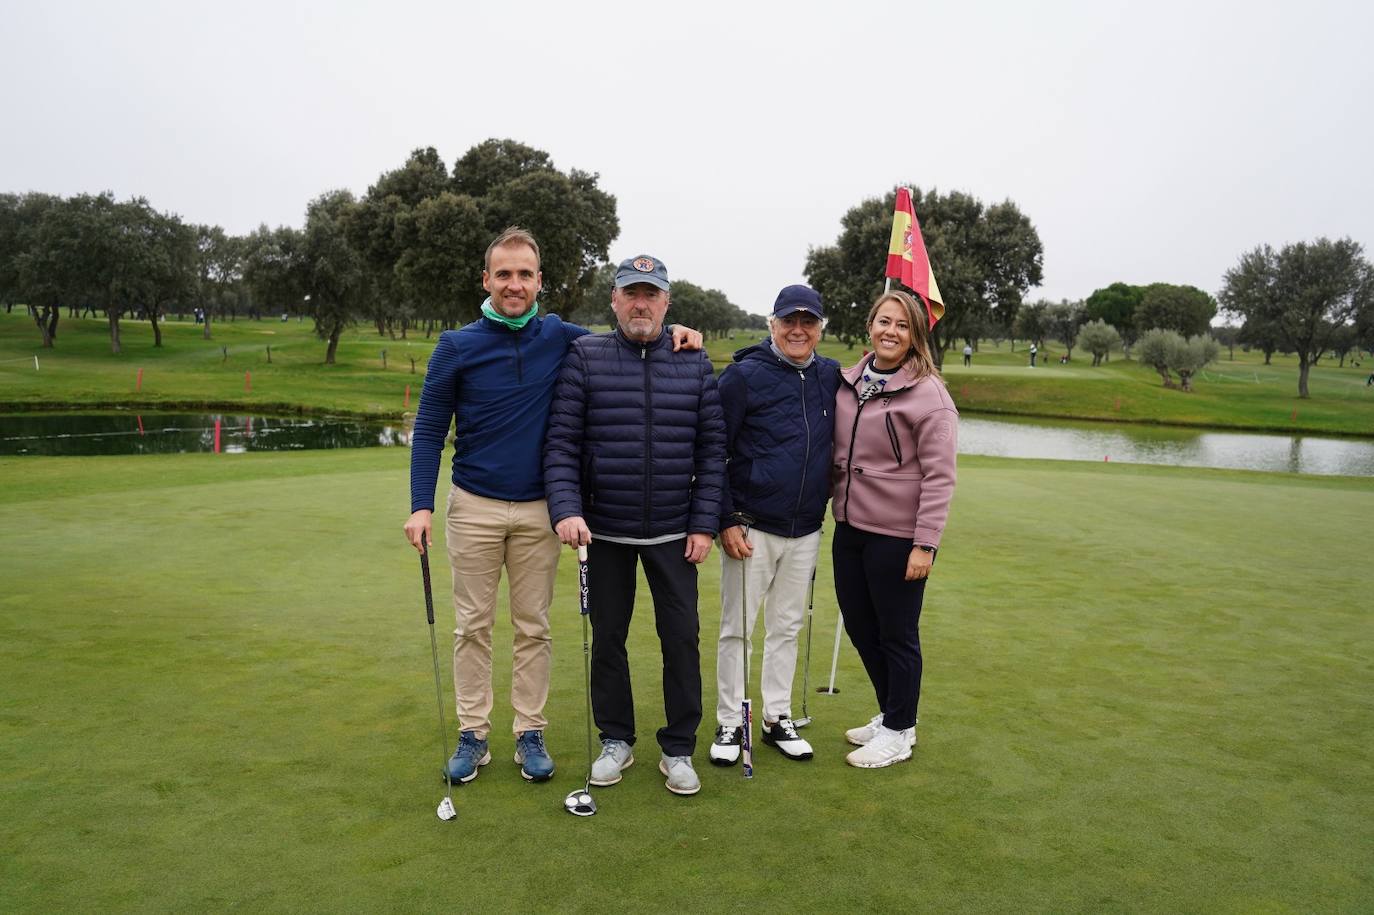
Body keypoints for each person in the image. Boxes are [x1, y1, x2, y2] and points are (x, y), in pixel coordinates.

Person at [404, 229, 701, 787]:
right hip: (473, 505)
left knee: (533, 627)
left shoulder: (563, 338)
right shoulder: (456, 345)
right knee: (472, 626)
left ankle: (529, 732)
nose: (514, 284)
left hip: (540, 510)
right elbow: (429, 430)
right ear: (487, 280)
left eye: (525, 274)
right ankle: (473, 734)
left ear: (540, 282)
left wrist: (677, 333)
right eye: (504, 274)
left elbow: (631, 337)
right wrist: (421, 505)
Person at [544, 253, 726, 796]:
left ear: (667, 303)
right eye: (631, 293)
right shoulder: (585, 355)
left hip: (675, 531)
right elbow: (562, 444)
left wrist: (704, 524)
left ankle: (678, 747)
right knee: (608, 639)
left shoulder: (694, 361)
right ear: (615, 300)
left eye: (651, 294)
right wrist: (566, 509)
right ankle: (616, 739)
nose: (641, 304)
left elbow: (712, 452)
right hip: (604, 530)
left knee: (681, 639)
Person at [710, 285, 841, 766]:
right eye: (789, 321)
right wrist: (725, 518)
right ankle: (730, 722)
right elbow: (713, 452)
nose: (798, 330)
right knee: (737, 629)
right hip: (751, 526)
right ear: (773, 324)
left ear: (820, 329)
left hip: (805, 527)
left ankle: (776, 717)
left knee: (786, 627)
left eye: (808, 322)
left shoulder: (830, 375)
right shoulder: (743, 376)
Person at [831, 290, 958, 768]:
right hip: (850, 529)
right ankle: (892, 714)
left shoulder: (930, 395)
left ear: (915, 335)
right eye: (884, 321)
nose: (891, 331)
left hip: (899, 537)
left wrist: (926, 544)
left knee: (897, 635)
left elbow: (940, 477)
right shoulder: (849, 381)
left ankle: (900, 730)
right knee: (861, 628)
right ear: (870, 326)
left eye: (902, 325)